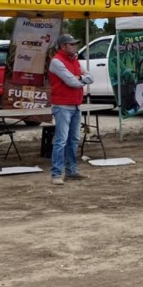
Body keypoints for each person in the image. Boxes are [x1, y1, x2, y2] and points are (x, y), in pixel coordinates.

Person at [47, 34, 93, 185]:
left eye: (74, 44)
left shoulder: (74, 60)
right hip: (62, 105)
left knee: (73, 140)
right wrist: (81, 78)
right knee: (61, 140)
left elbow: (90, 78)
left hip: (75, 104)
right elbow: (72, 82)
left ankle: (71, 171)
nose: (74, 46)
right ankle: (56, 174)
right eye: (71, 44)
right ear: (63, 46)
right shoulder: (57, 61)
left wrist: (78, 78)